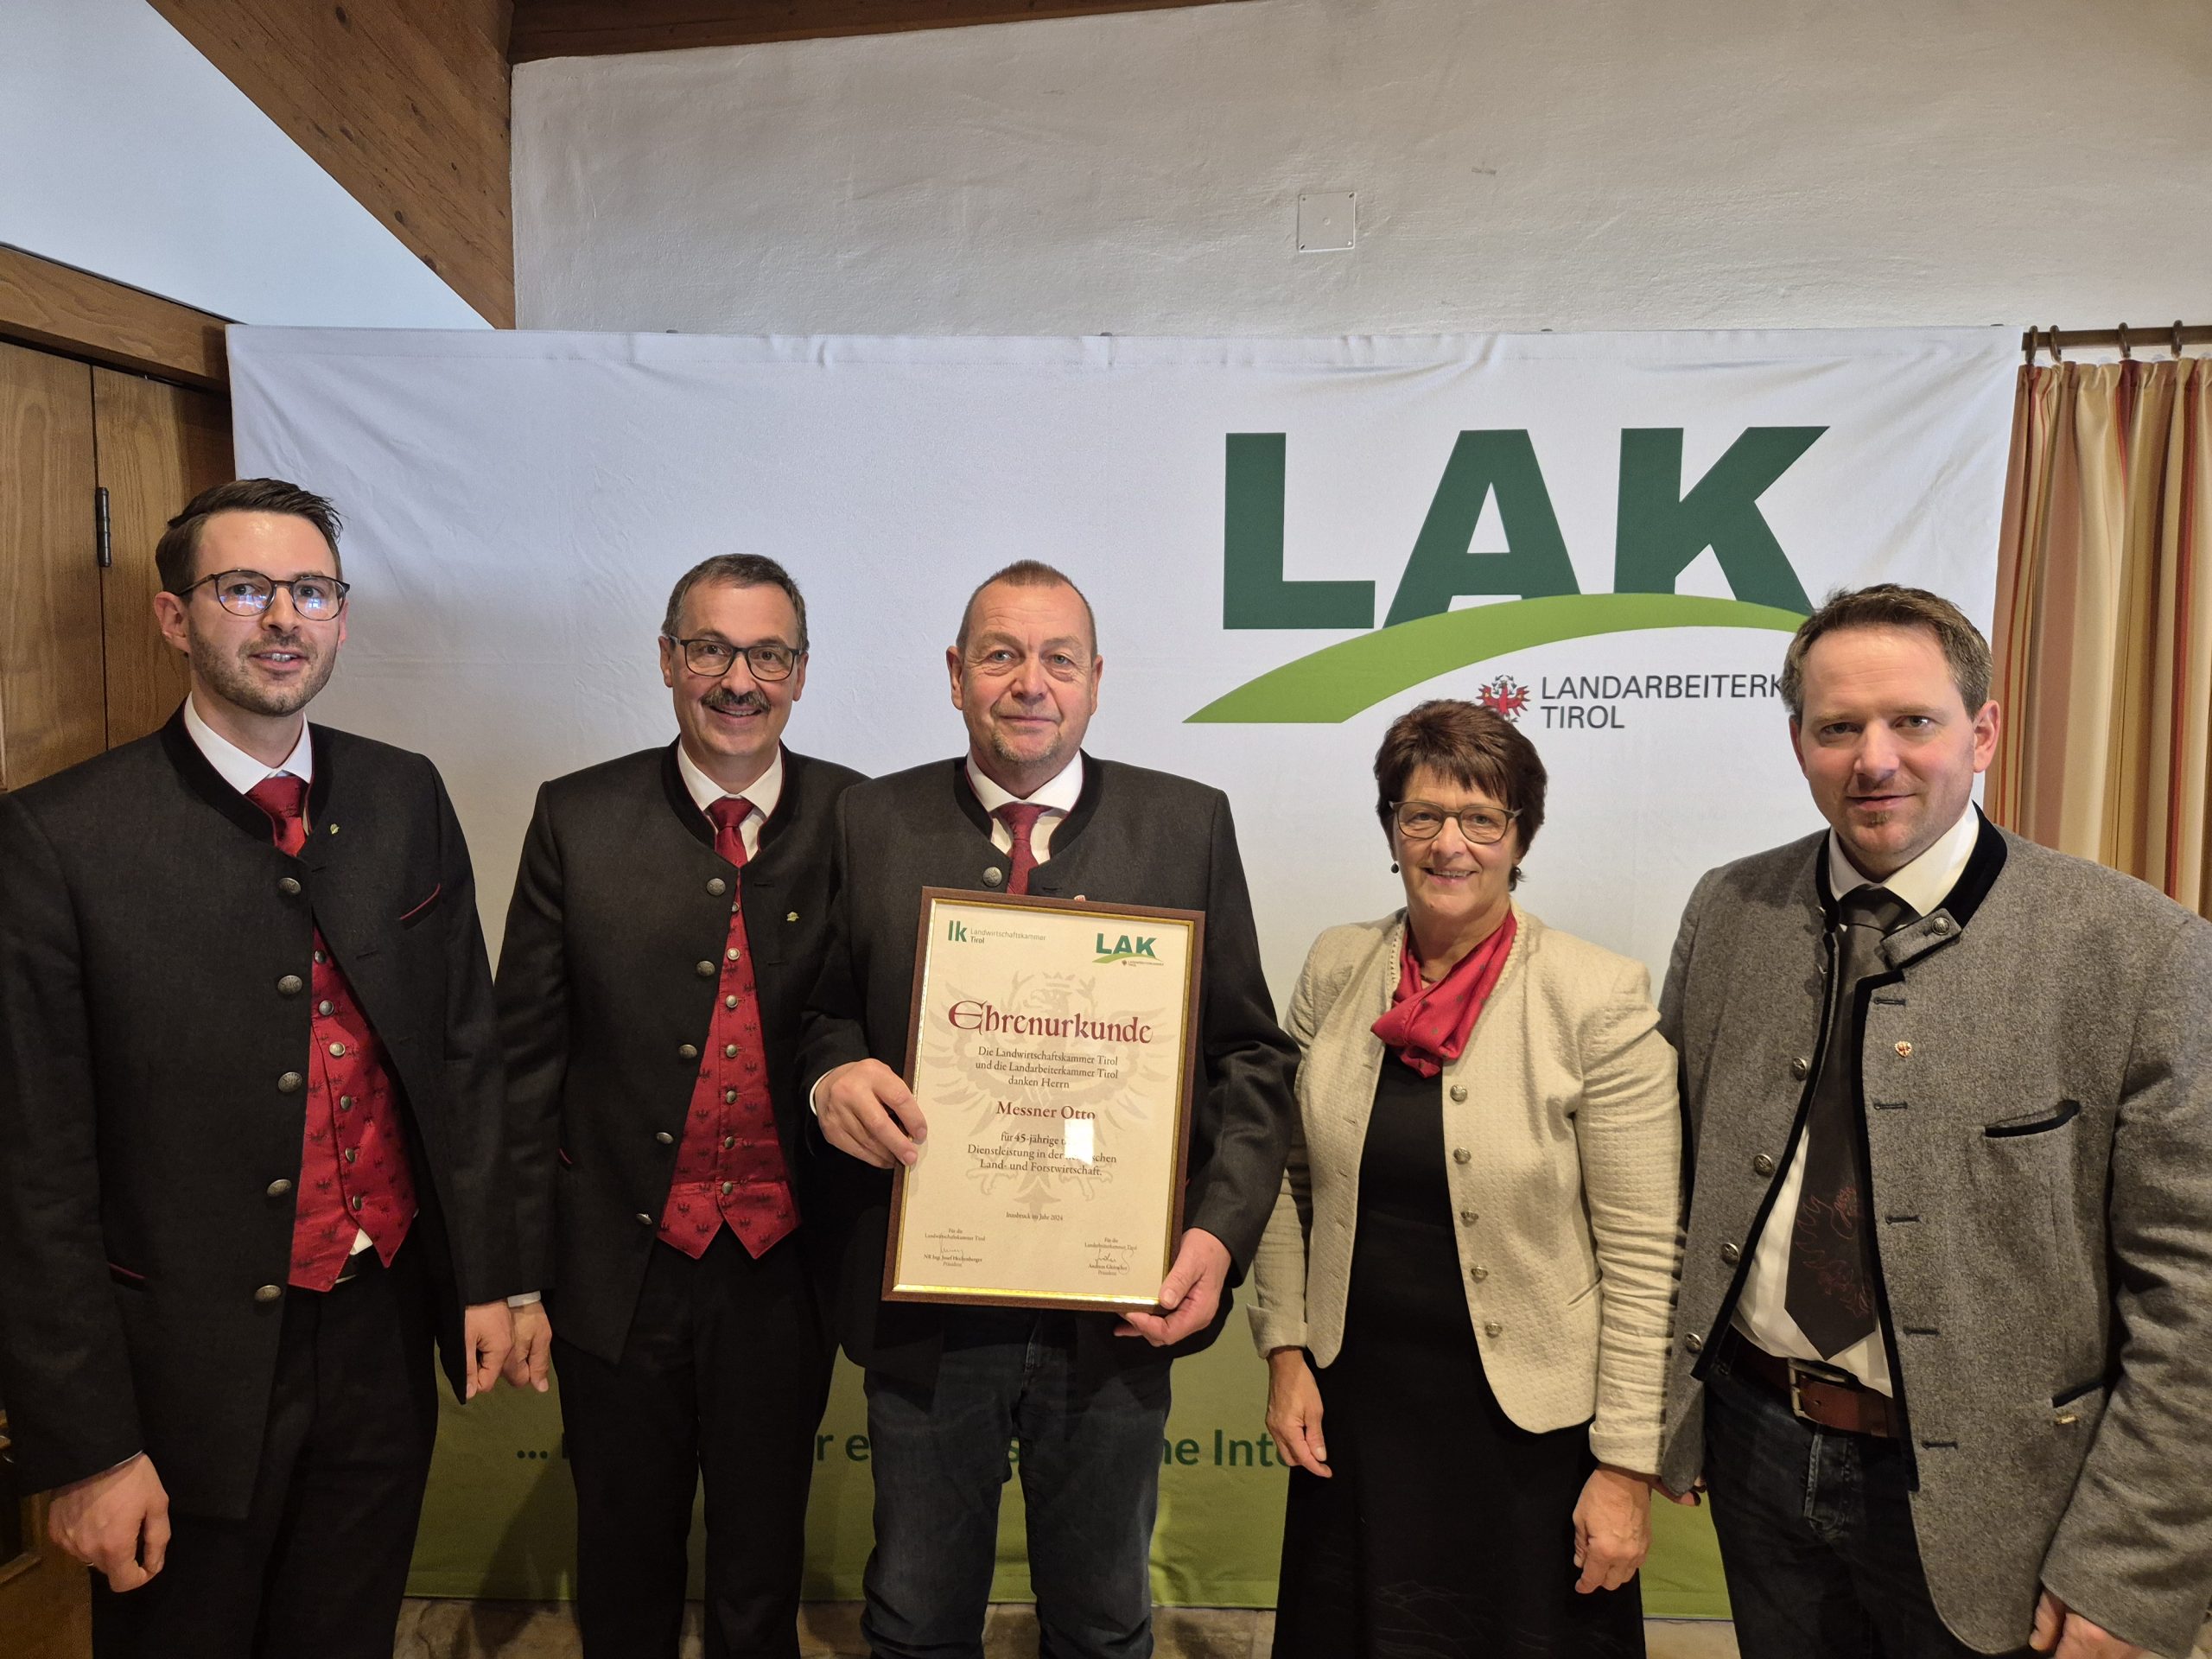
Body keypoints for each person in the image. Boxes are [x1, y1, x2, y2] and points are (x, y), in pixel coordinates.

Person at [0, 479, 518, 1659]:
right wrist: (86, 1448)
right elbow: (31, 1173)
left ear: (341, 615)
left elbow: (463, 1054)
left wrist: (491, 1276)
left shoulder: (405, 793)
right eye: (243, 589)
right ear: (175, 617)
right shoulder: (59, 837)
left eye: (311, 592)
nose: (283, 618)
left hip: (382, 1326)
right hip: (179, 1370)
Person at [1657, 585, 2212, 1659]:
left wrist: (2128, 1567)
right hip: (1757, 1446)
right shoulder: (1728, 911)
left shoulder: (2137, 951)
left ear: (1982, 732)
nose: (1874, 759)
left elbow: (2193, 1290)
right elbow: (1678, 1183)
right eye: (1837, 727)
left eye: (1911, 720)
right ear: (1798, 743)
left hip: (2007, 1498)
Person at [799, 559, 1298, 1659]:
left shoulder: (1186, 825)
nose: (1031, 683)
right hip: (926, 1307)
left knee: (1104, 1621)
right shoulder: (869, 820)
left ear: (1096, 680)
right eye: (1001, 655)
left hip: (1114, 1312)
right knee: (914, 1618)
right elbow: (823, 1012)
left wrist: (1218, 1234)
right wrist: (832, 1078)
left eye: (1058, 659)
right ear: (955, 675)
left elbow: (1250, 1057)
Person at [1249, 698, 1681, 1658]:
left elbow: (1647, 1255)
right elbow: (1282, 1176)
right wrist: (1285, 1351)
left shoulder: (1597, 996)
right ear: (1390, 829)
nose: (1450, 845)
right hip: (1355, 1414)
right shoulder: (1336, 964)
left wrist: (1624, 1468)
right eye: (1423, 816)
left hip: (1529, 1434)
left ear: (1519, 836)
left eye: (1482, 819)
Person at [497, 554, 861, 1658]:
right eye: (710, 650)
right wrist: (518, 1275)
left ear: (802, 672)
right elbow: (524, 1061)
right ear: (666, 659)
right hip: (616, 1265)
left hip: (786, 1266)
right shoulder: (576, 817)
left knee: (761, 1565)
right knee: (622, 1559)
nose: (738, 681)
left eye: (768, 656)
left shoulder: (863, 819)